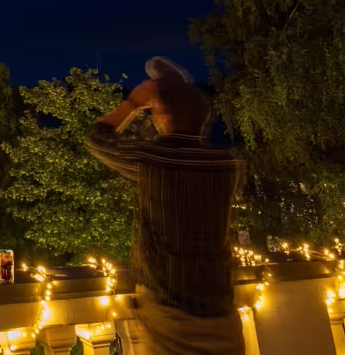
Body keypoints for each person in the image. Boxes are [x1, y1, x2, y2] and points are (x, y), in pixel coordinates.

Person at [85, 57, 246, 355]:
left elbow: (97, 138)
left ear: (165, 118)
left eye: (156, 110)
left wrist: (133, 103)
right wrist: (173, 94)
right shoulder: (226, 164)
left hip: (171, 313)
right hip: (221, 309)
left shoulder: (154, 159)